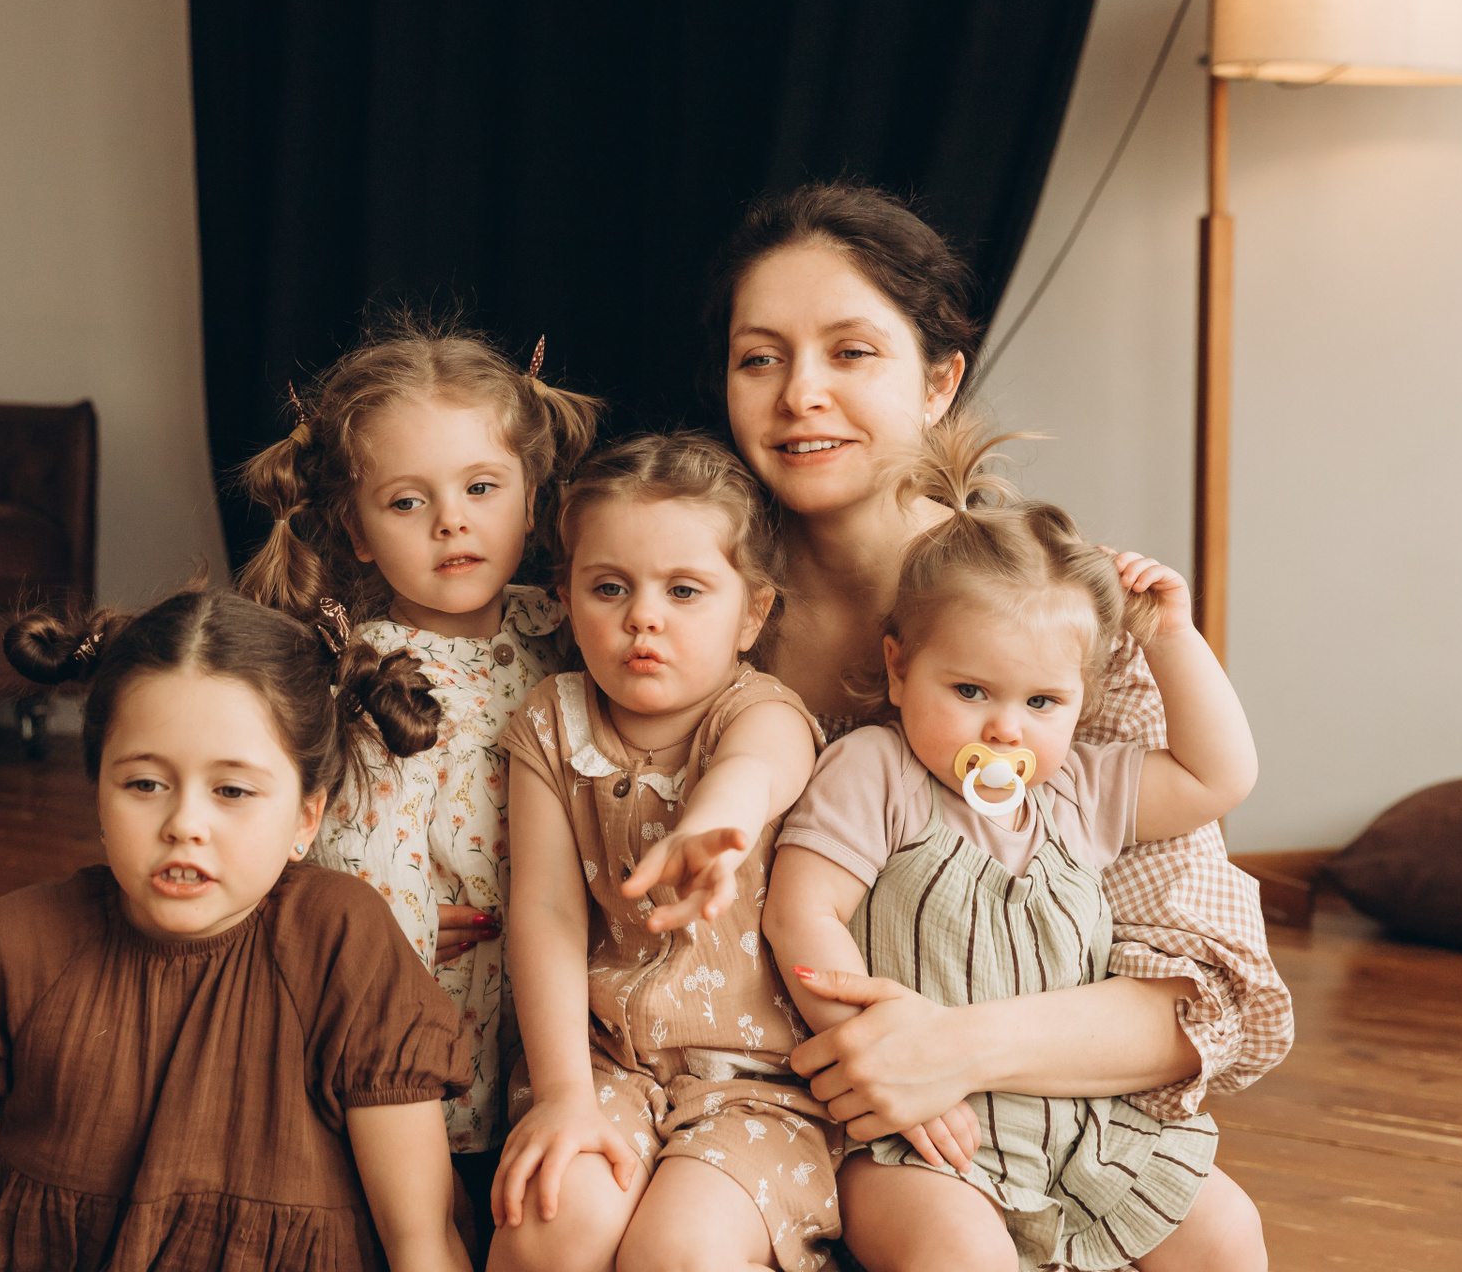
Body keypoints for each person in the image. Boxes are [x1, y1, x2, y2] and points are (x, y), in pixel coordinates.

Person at [705, 179, 1291, 1160]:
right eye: (759, 358)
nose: (800, 393)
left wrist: (942, 1050)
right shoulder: (685, 606)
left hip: (991, 1125)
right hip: (730, 1103)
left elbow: (1197, 999)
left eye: (852, 352)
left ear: (940, 383)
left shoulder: (1047, 613)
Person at [0, 586, 473, 1272]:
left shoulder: (343, 942)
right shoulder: (16, 943)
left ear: (306, 818)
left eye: (232, 790)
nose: (184, 825)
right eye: (144, 784)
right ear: (98, 789)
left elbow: (417, 1228)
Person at [763, 419, 1266, 1271]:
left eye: (1042, 703)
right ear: (899, 670)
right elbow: (799, 914)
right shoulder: (877, 769)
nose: (1005, 728)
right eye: (970, 690)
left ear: (1081, 702)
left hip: (1079, 1127)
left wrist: (1172, 637)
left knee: (1227, 1227)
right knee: (964, 1256)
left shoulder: (1076, 793)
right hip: (918, 1141)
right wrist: (875, 1054)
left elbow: (1220, 776)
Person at [492, 433, 954, 1272]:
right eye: (609, 587)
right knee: (551, 1225)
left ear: (752, 614)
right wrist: (562, 1096)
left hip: (762, 1085)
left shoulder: (762, 711)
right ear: (564, 600)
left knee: (680, 1252)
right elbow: (548, 910)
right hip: (600, 1062)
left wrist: (711, 825)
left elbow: (756, 770)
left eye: (684, 590)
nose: (644, 616)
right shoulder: (550, 720)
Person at [237, 317, 601, 1239]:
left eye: (482, 487)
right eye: (407, 501)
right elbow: (348, 845)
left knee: (534, 1192)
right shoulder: (364, 673)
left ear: (531, 502)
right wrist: (400, 933)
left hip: (555, 1006)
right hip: (427, 1000)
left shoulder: (572, 631)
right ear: (357, 533)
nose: (452, 521)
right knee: (422, 1204)